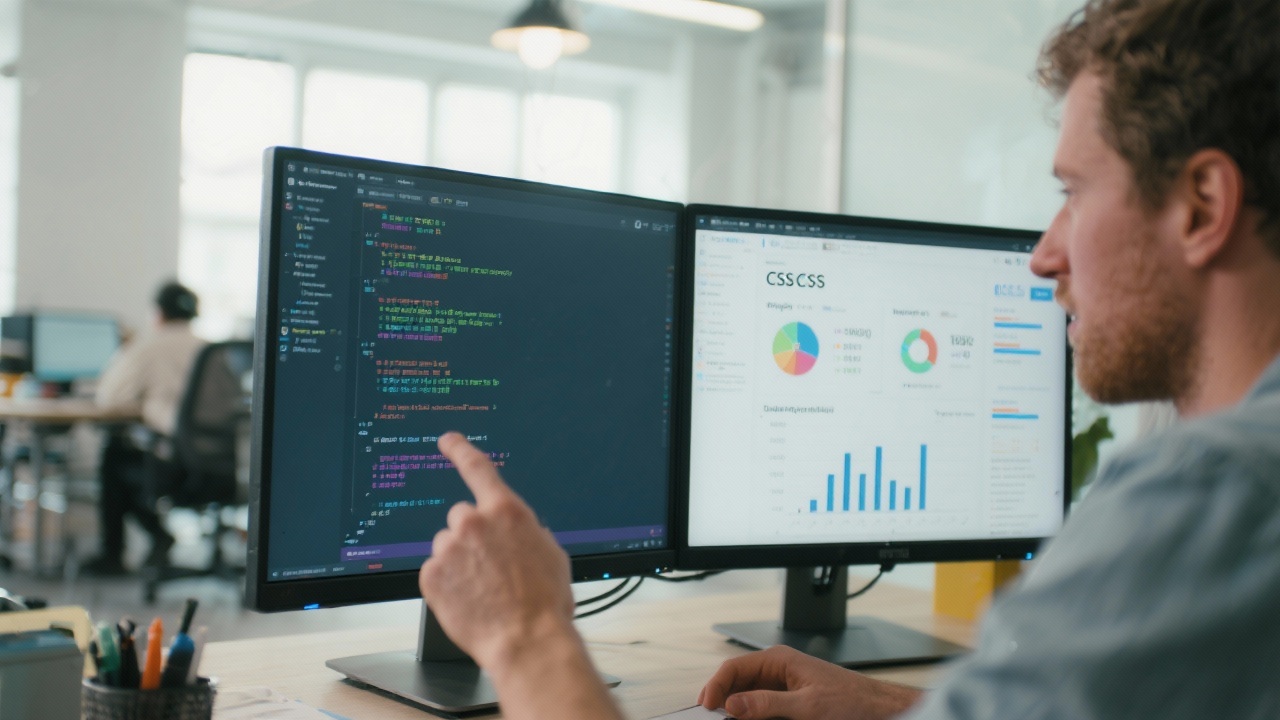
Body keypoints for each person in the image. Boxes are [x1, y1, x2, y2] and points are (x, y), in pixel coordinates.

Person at [420, 0, 1280, 717]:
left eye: (1073, 194)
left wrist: (527, 636)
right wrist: (899, 710)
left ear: (1203, 206)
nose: (1044, 254)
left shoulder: (1214, 494)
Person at [82, 282, 206, 576]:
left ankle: (114, 555)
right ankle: (158, 535)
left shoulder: (149, 346)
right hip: (217, 466)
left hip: (174, 464)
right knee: (128, 459)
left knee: (115, 455)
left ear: (158, 314)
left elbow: (108, 399)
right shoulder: (210, 348)